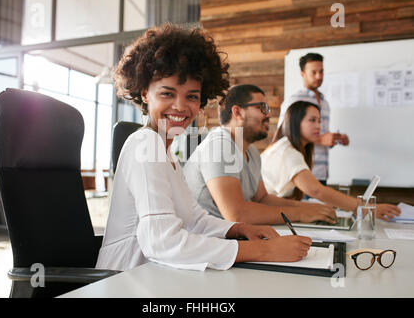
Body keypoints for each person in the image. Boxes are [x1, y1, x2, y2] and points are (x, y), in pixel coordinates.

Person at [95, 24, 312, 272]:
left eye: (191, 96)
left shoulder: (166, 150)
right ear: (145, 94)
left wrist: (237, 229)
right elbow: (161, 241)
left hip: (156, 275)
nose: (180, 106)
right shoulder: (146, 143)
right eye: (167, 93)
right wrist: (264, 250)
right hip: (125, 280)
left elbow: (193, 218)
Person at [183, 84, 337, 225]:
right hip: (206, 242)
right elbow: (237, 215)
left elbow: (262, 199)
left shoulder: (251, 152)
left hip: (229, 238)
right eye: (262, 108)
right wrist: (300, 213)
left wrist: (308, 208)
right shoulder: (219, 145)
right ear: (238, 112)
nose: (268, 115)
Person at [261, 100, 401, 221]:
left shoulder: (287, 147)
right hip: (264, 216)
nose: (318, 126)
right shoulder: (288, 152)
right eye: (312, 120)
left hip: (271, 213)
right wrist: (365, 208)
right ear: (296, 122)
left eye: (319, 121)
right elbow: (316, 190)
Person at [278, 53, 349, 186]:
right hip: (300, 171)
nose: (319, 76)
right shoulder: (295, 100)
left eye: (321, 71)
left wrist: (334, 139)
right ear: (302, 74)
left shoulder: (325, 103)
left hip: (322, 172)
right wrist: (321, 139)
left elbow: (317, 135)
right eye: (314, 72)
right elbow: (283, 134)